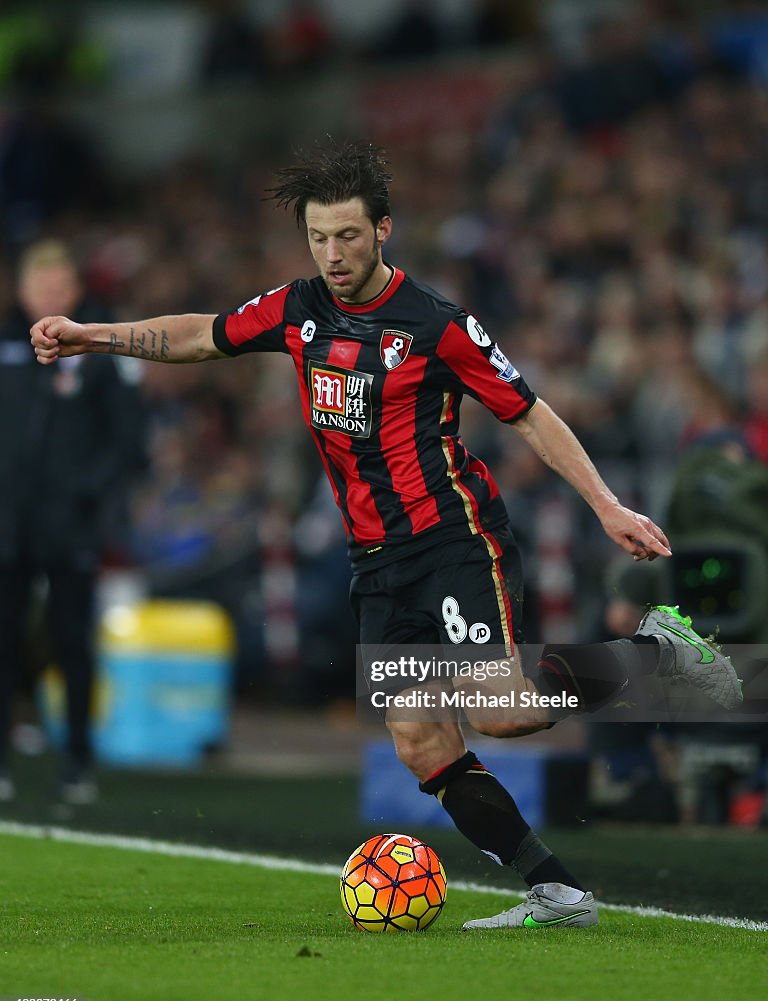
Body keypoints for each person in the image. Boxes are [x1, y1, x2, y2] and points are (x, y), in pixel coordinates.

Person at [30, 141, 741, 926]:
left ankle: (660, 652)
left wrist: (606, 505)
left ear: (383, 230)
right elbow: (206, 333)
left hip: (451, 539)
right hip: (374, 561)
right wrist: (95, 334)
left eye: (348, 237)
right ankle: (557, 892)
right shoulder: (299, 308)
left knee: (501, 714)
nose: (333, 255)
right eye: (319, 239)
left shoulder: (438, 325)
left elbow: (529, 411)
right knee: (421, 744)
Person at [0, 239, 144, 803]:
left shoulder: (100, 350)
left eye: (60, 288)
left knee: (73, 644)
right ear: (22, 290)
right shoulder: (7, 346)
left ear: (75, 293)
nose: (49, 297)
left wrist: (89, 497)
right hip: (8, 524)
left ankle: (78, 761)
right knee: (3, 644)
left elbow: (128, 439)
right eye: (41, 287)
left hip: (72, 527)